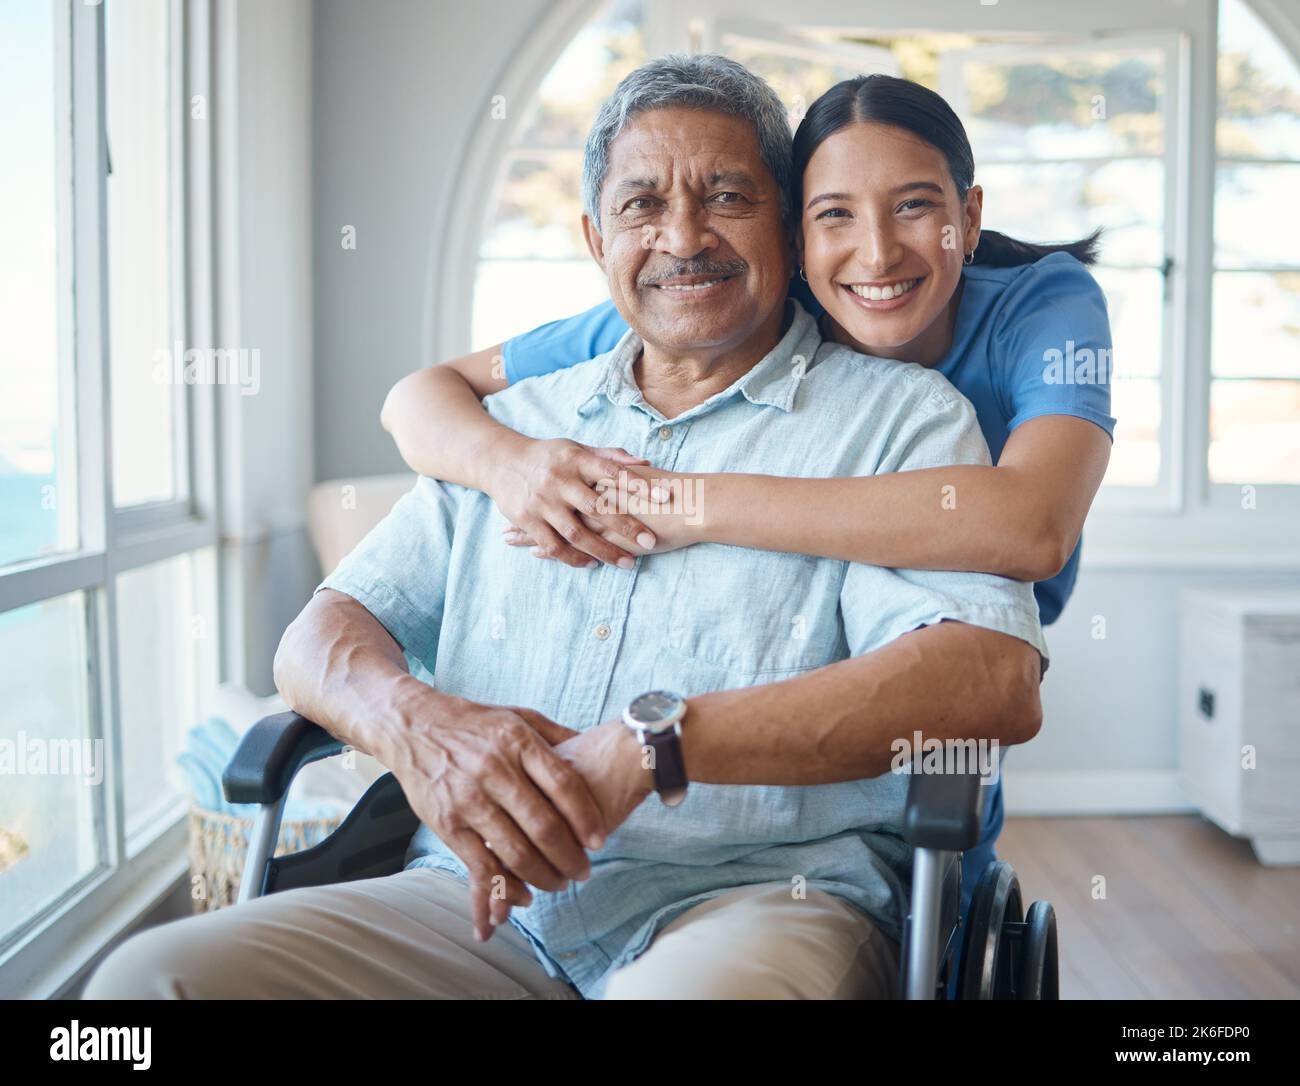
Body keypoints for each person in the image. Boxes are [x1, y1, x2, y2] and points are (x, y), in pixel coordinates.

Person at [85, 55, 1046, 1001]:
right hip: (473, 900)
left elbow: (988, 681)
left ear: (788, 230)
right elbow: (321, 636)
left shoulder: (900, 420)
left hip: (761, 896)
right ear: (596, 238)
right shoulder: (514, 429)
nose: (683, 237)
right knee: (146, 978)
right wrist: (415, 725)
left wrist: (658, 744)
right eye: (641, 206)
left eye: (726, 197)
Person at [380, 72, 1115, 942]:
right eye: (835, 214)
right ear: (796, 233)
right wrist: (513, 467)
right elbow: (419, 397)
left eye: (915, 206)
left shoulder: (1046, 305)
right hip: (582, 868)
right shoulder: (717, 293)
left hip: (960, 647)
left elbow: (1032, 526)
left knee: (939, 877)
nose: (877, 255)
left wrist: (687, 504)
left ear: (970, 210)